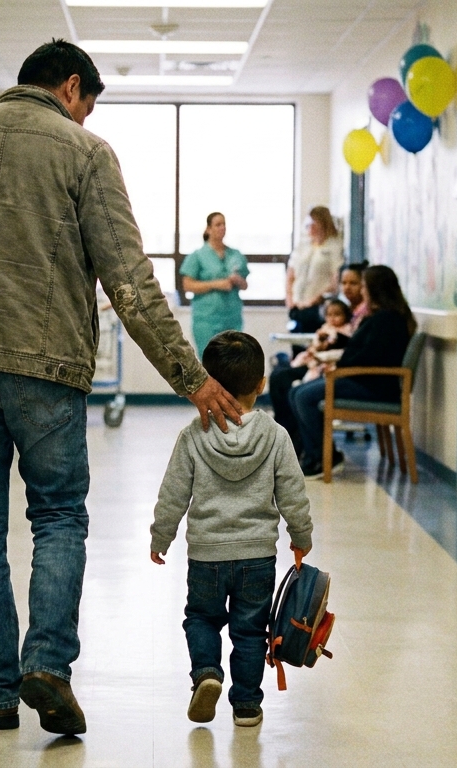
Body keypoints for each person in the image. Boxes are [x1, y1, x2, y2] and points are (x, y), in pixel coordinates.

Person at [0, 40, 243, 736]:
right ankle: (45, 664)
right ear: (72, 87)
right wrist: (190, 379)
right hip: (46, 367)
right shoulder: (85, 153)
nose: (83, 119)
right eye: (86, 107)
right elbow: (131, 283)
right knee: (57, 517)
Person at [149, 331, 313, 729]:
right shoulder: (275, 435)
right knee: (250, 630)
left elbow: (173, 493)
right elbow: (293, 493)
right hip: (257, 556)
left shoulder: (193, 436)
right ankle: (246, 706)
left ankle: (206, 673)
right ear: (260, 384)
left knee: (201, 619)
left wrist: (161, 536)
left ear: (208, 380)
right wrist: (301, 535)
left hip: (206, 555)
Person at [291, 265, 417, 478]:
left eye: (365, 287)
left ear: (375, 290)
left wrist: (339, 367)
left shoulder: (386, 321)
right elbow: (360, 352)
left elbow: (368, 357)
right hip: (365, 380)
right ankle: (318, 455)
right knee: (297, 392)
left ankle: (323, 458)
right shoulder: (382, 317)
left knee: (303, 396)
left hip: (372, 386)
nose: (362, 292)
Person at [270, 263, 366, 450]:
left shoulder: (362, 315)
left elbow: (351, 348)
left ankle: (293, 444)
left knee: (283, 379)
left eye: (353, 283)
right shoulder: (347, 310)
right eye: (344, 282)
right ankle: (288, 438)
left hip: (335, 367)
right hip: (326, 359)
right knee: (280, 372)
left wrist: (323, 354)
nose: (347, 287)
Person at [181, 212, 249, 355]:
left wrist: (237, 280)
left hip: (232, 317)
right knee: (210, 362)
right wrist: (216, 284)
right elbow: (188, 285)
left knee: (233, 362)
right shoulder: (197, 256)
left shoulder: (235, 255)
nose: (222, 228)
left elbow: (245, 285)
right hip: (207, 319)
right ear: (208, 229)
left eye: (224, 224)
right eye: (218, 224)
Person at [285, 206, 344, 333]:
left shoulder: (333, 247)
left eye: (314, 223)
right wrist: (290, 300)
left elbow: (335, 282)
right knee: (297, 344)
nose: (311, 227)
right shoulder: (303, 246)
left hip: (317, 307)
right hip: (297, 305)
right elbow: (290, 275)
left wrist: (314, 300)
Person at [290, 298, 353, 383]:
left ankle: (307, 384)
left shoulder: (346, 328)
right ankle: (301, 380)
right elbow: (317, 342)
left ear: (346, 316)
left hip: (332, 358)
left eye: (337, 315)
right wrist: (317, 344)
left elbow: (336, 341)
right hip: (318, 354)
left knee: (321, 369)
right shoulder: (325, 327)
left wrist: (329, 340)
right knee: (304, 357)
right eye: (329, 315)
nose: (332, 318)